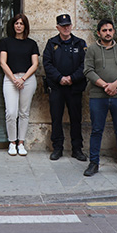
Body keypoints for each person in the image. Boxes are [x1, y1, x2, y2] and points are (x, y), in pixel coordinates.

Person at [83, 19, 117, 177]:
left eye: (110, 30)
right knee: (96, 130)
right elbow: (88, 70)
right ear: (98, 33)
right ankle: (93, 163)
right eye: (104, 30)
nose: (108, 33)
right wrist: (105, 85)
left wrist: (114, 85)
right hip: (98, 97)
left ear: (114, 32)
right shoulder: (92, 49)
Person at [43, 13, 88, 161]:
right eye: (63, 26)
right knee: (56, 118)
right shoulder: (51, 43)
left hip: (75, 88)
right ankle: (57, 148)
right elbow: (47, 64)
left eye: (68, 25)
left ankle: (77, 149)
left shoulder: (80, 43)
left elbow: (85, 65)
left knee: (76, 119)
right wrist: (60, 78)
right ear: (57, 27)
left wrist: (72, 78)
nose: (66, 28)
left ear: (71, 25)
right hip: (57, 88)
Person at [0, 13, 40, 157]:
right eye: (16, 23)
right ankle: (12, 142)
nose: (19, 26)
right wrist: (14, 79)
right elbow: (2, 62)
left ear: (25, 26)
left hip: (27, 79)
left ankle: (21, 143)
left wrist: (22, 79)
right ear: (13, 25)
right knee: (11, 112)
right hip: (10, 79)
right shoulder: (5, 42)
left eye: (21, 23)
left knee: (24, 112)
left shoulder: (31, 44)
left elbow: (35, 64)